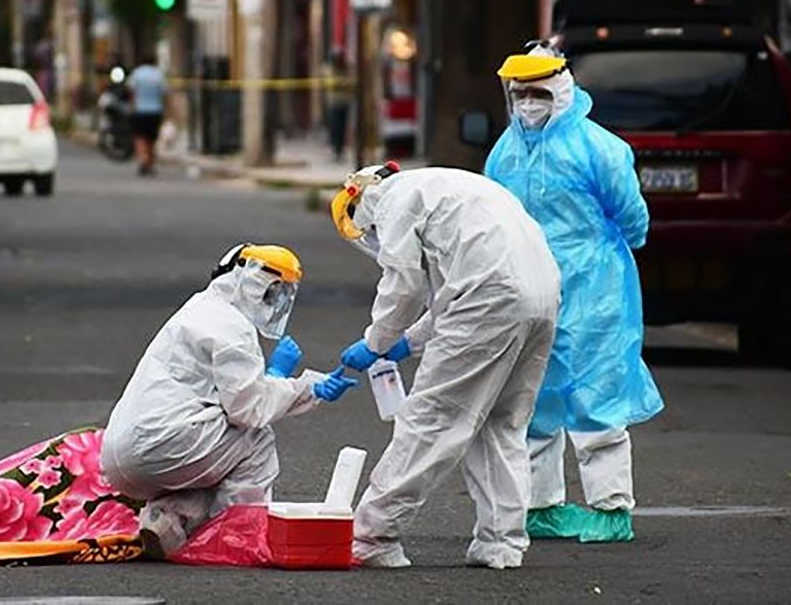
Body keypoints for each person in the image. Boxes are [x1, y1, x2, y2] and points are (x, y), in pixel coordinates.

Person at [331, 162, 562, 569]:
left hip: (490, 301)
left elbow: (405, 284)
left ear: (360, 200)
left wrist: (376, 342)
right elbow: (454, 288)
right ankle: (501, 543)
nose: (371, 238)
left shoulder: (394, 201)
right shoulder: (447, 187)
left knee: (430, 420)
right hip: (540, 300)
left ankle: (372, 536)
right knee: (500, 422)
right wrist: (406, 343)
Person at [483, 43, 664, 543]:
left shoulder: (599, 147)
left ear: (561, 90)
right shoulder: (506, 150)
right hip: (529, 288)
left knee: (595, 396)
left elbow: (632, 217)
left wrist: (599, 260)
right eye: (519, 95)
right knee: (533, 398)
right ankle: (541, 506)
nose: (527, 104)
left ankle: (610, 508)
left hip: (594, 291)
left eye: (537, 93)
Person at [100, 243, 358, 559]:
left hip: (122, 456)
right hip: (161, 447)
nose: (272, 303)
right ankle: (236, 536)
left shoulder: (199, 309)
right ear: (245, 280)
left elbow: (224, 403)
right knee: (255, 440)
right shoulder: (231, 327)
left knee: (221, 450)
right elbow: (249, 411)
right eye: (270, 292)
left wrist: (286, 383)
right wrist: (308, 387)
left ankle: (168, 520)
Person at [125, 56, 166, 176]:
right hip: (155, 111)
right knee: (152, 139)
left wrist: (132, 106)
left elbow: (131, 91)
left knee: (140, 138)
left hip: (140, 110)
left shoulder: (137, 74)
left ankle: (143, 160)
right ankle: (150, 162)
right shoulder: (158, 75)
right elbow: (164, 93)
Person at [320, 50, 350, 161]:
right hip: (334, 103)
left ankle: (340, 149)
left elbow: (350, 82)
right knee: (335, 127)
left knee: (342, 127)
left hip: (344, 102)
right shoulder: (329, 70)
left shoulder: (345, 70)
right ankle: (335, 148)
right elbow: (330, 83)